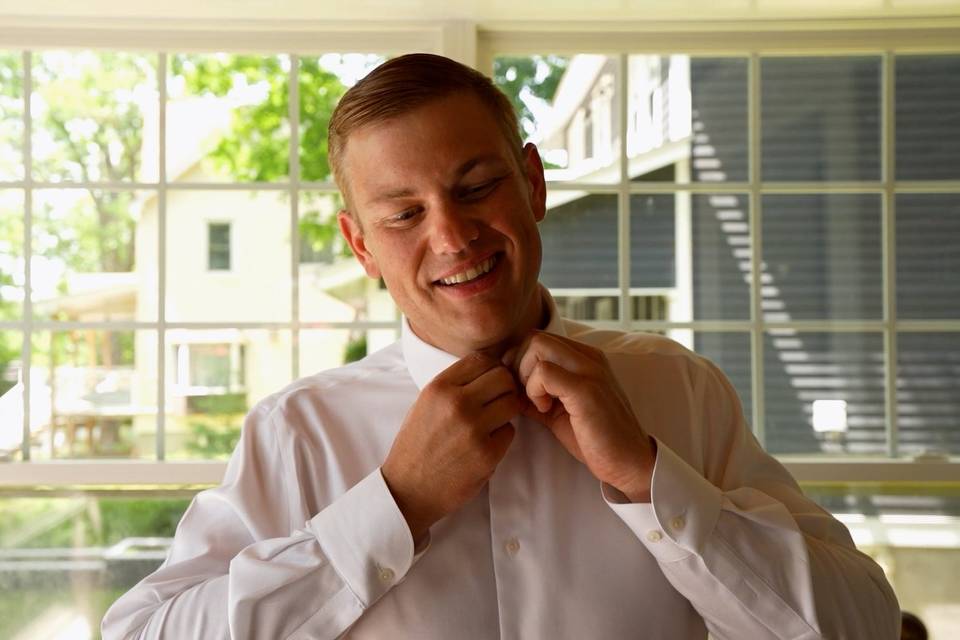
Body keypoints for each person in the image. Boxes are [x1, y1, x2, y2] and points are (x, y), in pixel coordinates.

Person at [102, 53, 901, 639]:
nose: (451, 235)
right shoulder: (297, 433)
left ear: (534, 185)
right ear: (359, 246)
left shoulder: (681, 390)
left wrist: (650, 479)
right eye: (404, 214)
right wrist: (391, 507)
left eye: (476, 185)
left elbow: (862, 624)